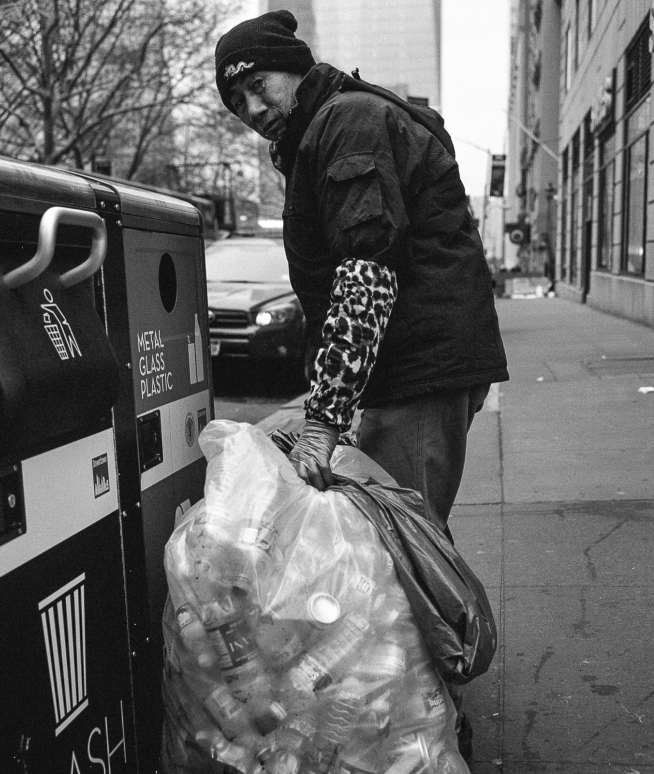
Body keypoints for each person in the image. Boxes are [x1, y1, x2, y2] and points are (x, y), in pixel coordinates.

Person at [215, 10, 509, 763]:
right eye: (236, 101)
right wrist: (319, 406)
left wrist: (327, 416)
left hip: (418, 369)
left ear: (293, 65)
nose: (251, 109)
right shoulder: (320, 131)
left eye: (257, 84)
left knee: (402, 560)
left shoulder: (345, 123)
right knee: (387, 541)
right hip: (408, 366)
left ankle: (431, 732)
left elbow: (365, 276)